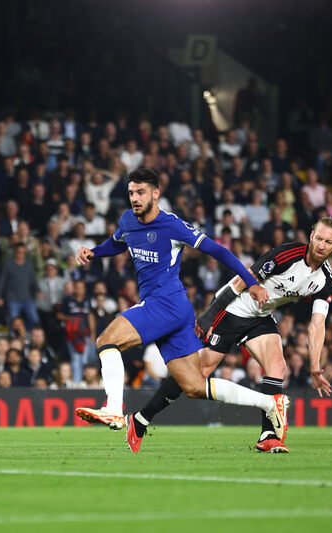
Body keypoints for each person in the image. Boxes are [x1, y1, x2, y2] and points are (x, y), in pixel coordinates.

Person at [73, 168, 286, 439]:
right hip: (177, 312)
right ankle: (270, 403)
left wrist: (251, 283)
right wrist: (94, 252)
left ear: (155, 194)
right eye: (131, 193)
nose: (134, 198)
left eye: (140, 192)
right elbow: (117, 243)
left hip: (165, 303)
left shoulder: (173, 225)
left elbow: (218, 250)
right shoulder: (128, 220)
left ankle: (114, 408)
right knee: (195, 387)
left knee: (106, 340)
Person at [126, 217, 332, 453]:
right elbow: (240, 281)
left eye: (328, 242)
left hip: (260, 316)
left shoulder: (326, 281)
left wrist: (315, 364)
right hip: (232, 309)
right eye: (318, 238)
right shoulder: (286, 255)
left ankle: (268, 435)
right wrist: (209, 315)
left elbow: (317, 325)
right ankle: (140, 420)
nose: (321, 245)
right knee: (196, 378)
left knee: (277, 367)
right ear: (311, 236)